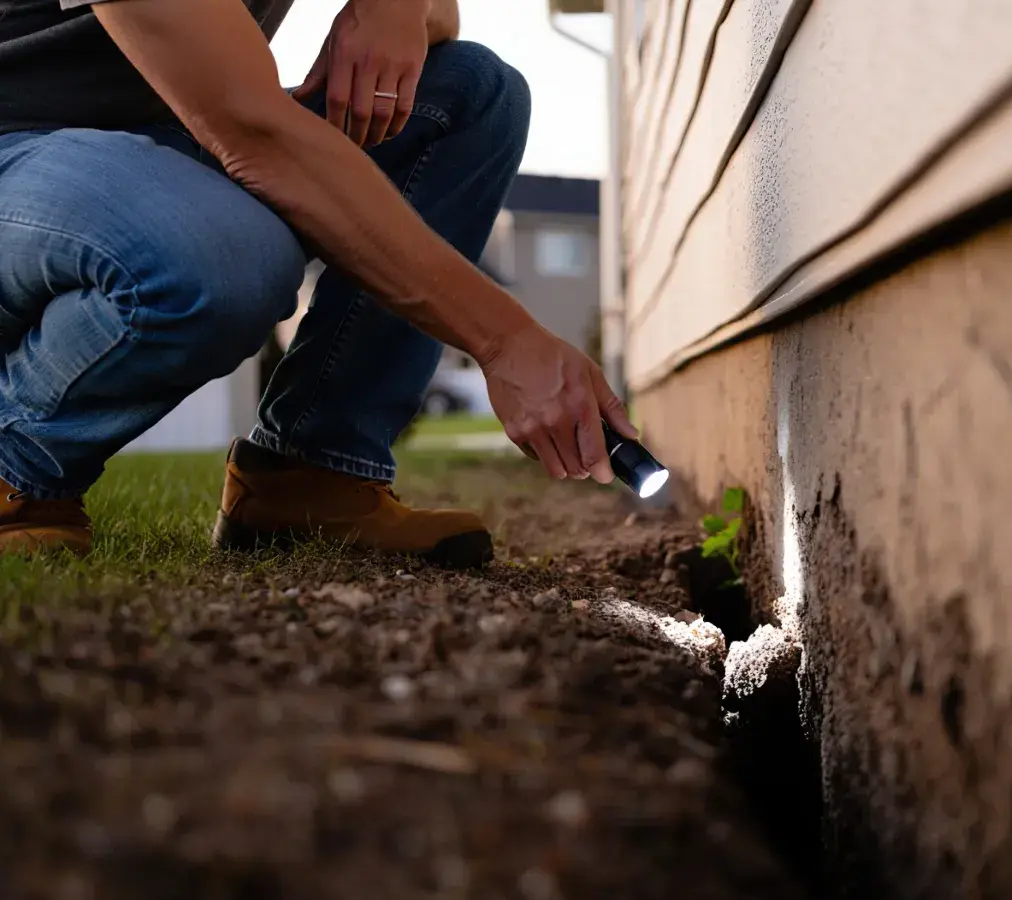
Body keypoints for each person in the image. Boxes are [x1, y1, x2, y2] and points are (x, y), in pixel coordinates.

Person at [0, 0, 636, 567]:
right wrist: (505, 341)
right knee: (225, 258)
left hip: (168, 136)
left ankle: (313, 476)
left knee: (471, 93)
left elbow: (442, 17)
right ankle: (16, 466)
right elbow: (251, 129)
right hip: (22, 148)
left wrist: (395, 8)